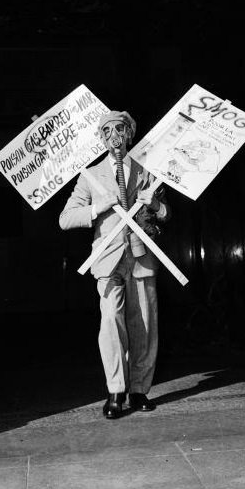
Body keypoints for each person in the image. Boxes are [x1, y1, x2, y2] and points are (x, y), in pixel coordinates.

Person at [59, 110, 170, 419]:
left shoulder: (147, 172)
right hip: (107, 259)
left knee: (144, 326)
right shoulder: (91, 176)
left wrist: (155, 203)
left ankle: (139, 390)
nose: (114, 138)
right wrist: (97, 207)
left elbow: (165, 215)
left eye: (120, 131)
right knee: (110, 323)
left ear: (129, 134)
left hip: (141, 257)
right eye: (107, 133)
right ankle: (115, 391)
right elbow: (65, 218)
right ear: (102, 138)